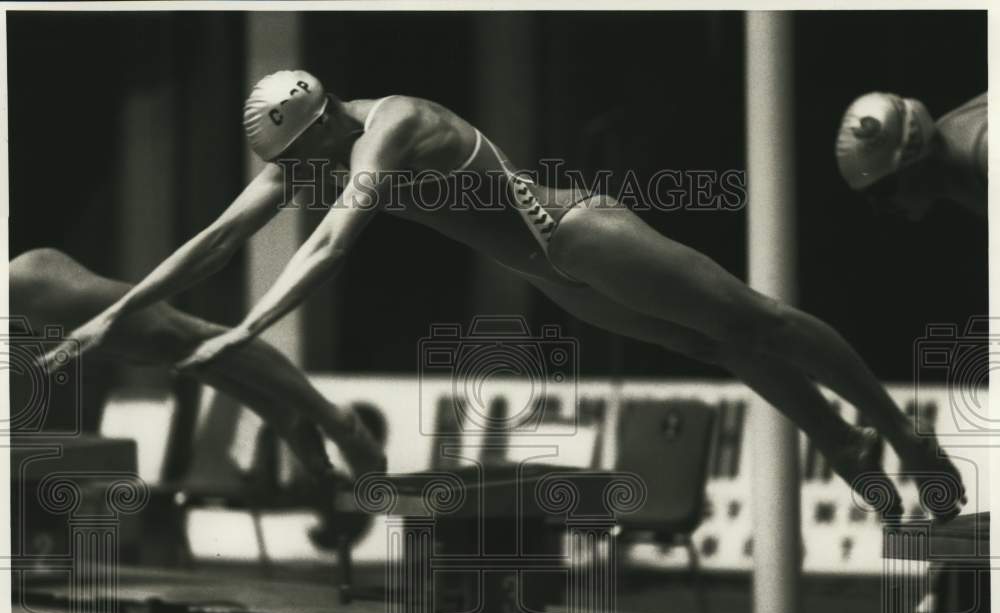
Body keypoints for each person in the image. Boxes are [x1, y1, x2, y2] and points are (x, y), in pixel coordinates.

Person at [42, 70, 967, 521]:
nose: (300, 177)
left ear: (322, 120)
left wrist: (247, 325)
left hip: (579, 234)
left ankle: (894, 427)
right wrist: (106, 320)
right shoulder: (312, 153)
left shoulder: (387, 128)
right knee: (720, 348)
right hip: (557, 279)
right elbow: (211, 239)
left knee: (753, 320)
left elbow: (334, 237)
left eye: (302, 158)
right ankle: (840, 439)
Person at [15, 247, 386, 483]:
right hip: (26, 299)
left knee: (188, 338)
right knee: (171, 352)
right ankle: (284, 414)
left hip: (30, 286)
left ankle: (336, 421)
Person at [836, 91, 987, 219]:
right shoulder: (954, 167)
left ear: (912, 159)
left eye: (881, 190)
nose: (879, 208)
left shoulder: (983, 152)